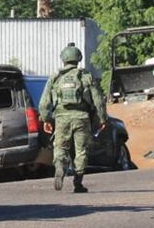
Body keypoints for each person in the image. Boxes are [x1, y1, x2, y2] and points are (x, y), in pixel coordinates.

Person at [38, 43, 107, 193]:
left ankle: (60, 167)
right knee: (81, 151)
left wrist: (46, 120)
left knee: (60, 147)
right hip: (82, 118)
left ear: (63, 59)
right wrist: (102, 119)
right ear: (79, 59)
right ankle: (78, 183)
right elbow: (98, 100)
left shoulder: (55, 78)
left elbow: (44, 104)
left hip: (61, 118)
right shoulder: (85, 76)